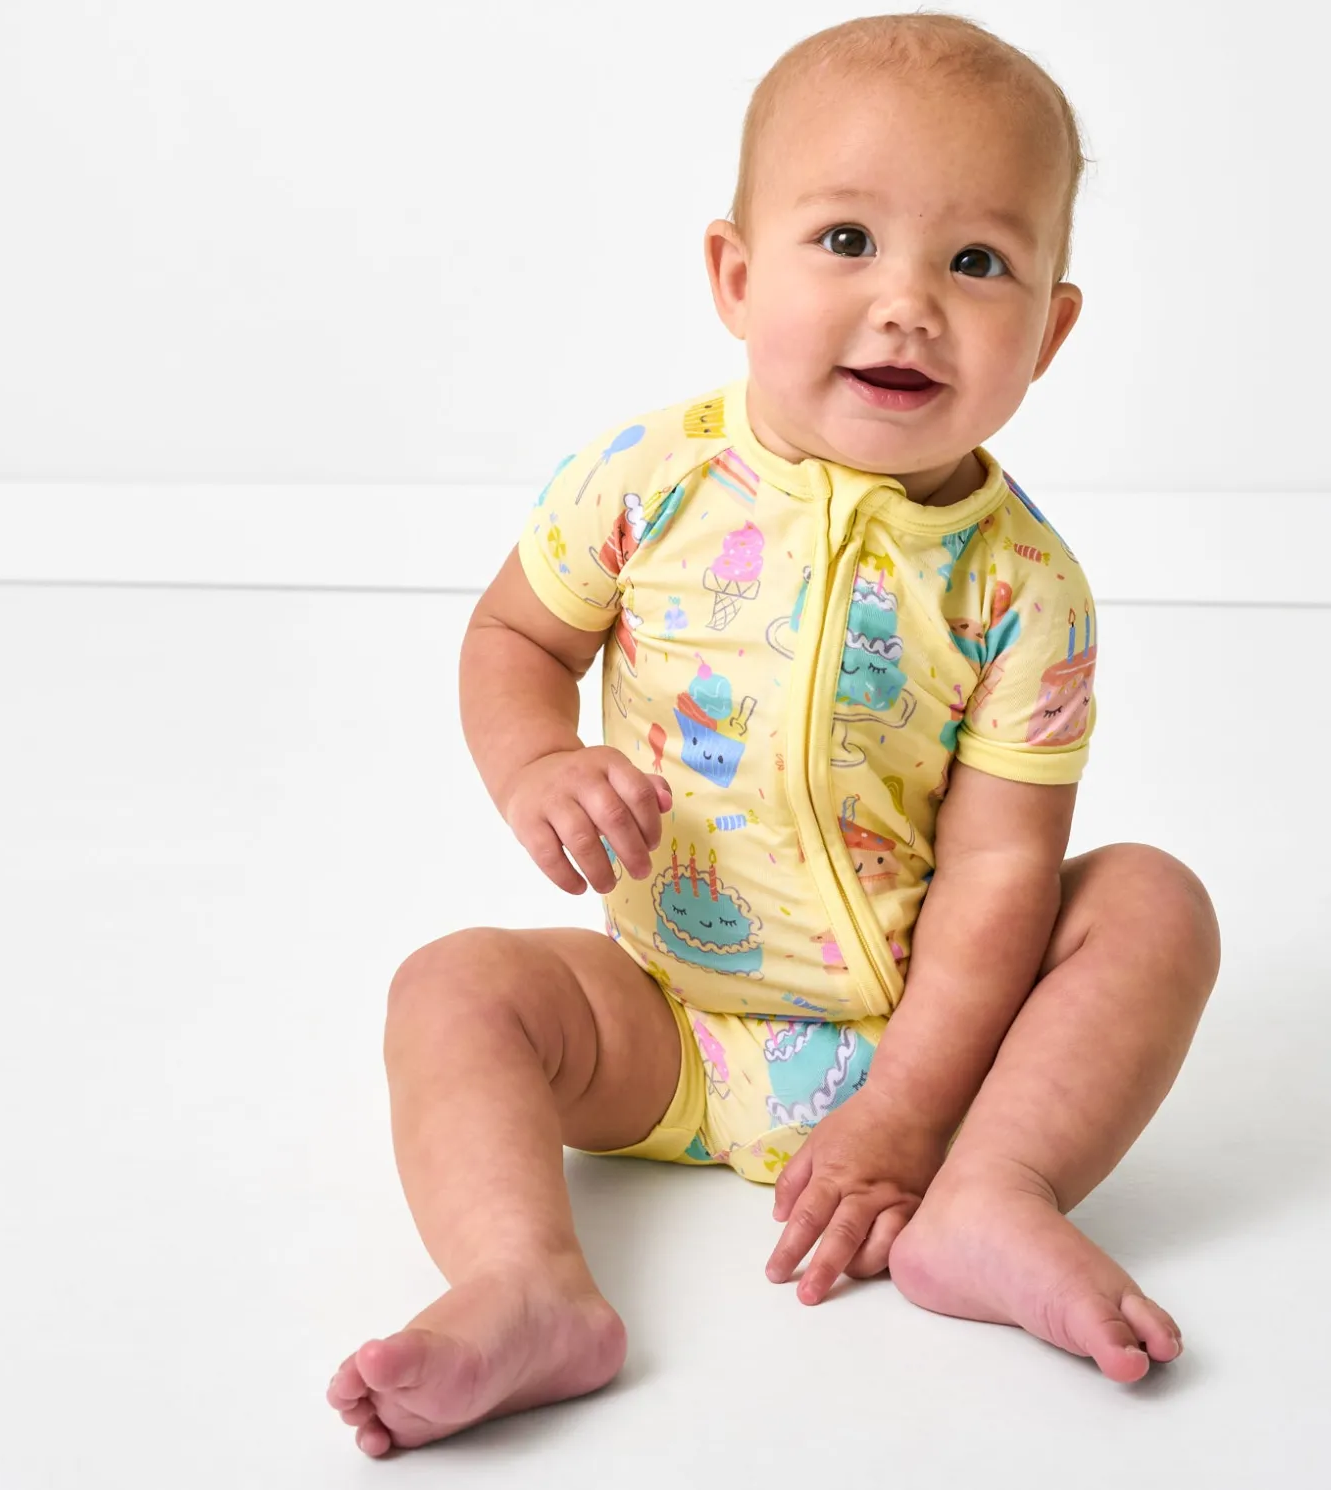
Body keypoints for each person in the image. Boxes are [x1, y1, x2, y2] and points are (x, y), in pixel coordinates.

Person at [328, 12, 1221, 1457]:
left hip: (938, 1046)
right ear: (737, 279)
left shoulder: (1021, 587)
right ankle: (523, 1278)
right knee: (452, 987)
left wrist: (910, 1106)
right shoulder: (644, 481)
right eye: (846, 241)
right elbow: (515, 638)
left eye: (975, 262)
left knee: (1151, 902)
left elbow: (1001, 870)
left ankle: (993, 1192)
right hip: (666, 1022)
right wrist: (536, 763)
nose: (907, 305)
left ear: (1050, 331)